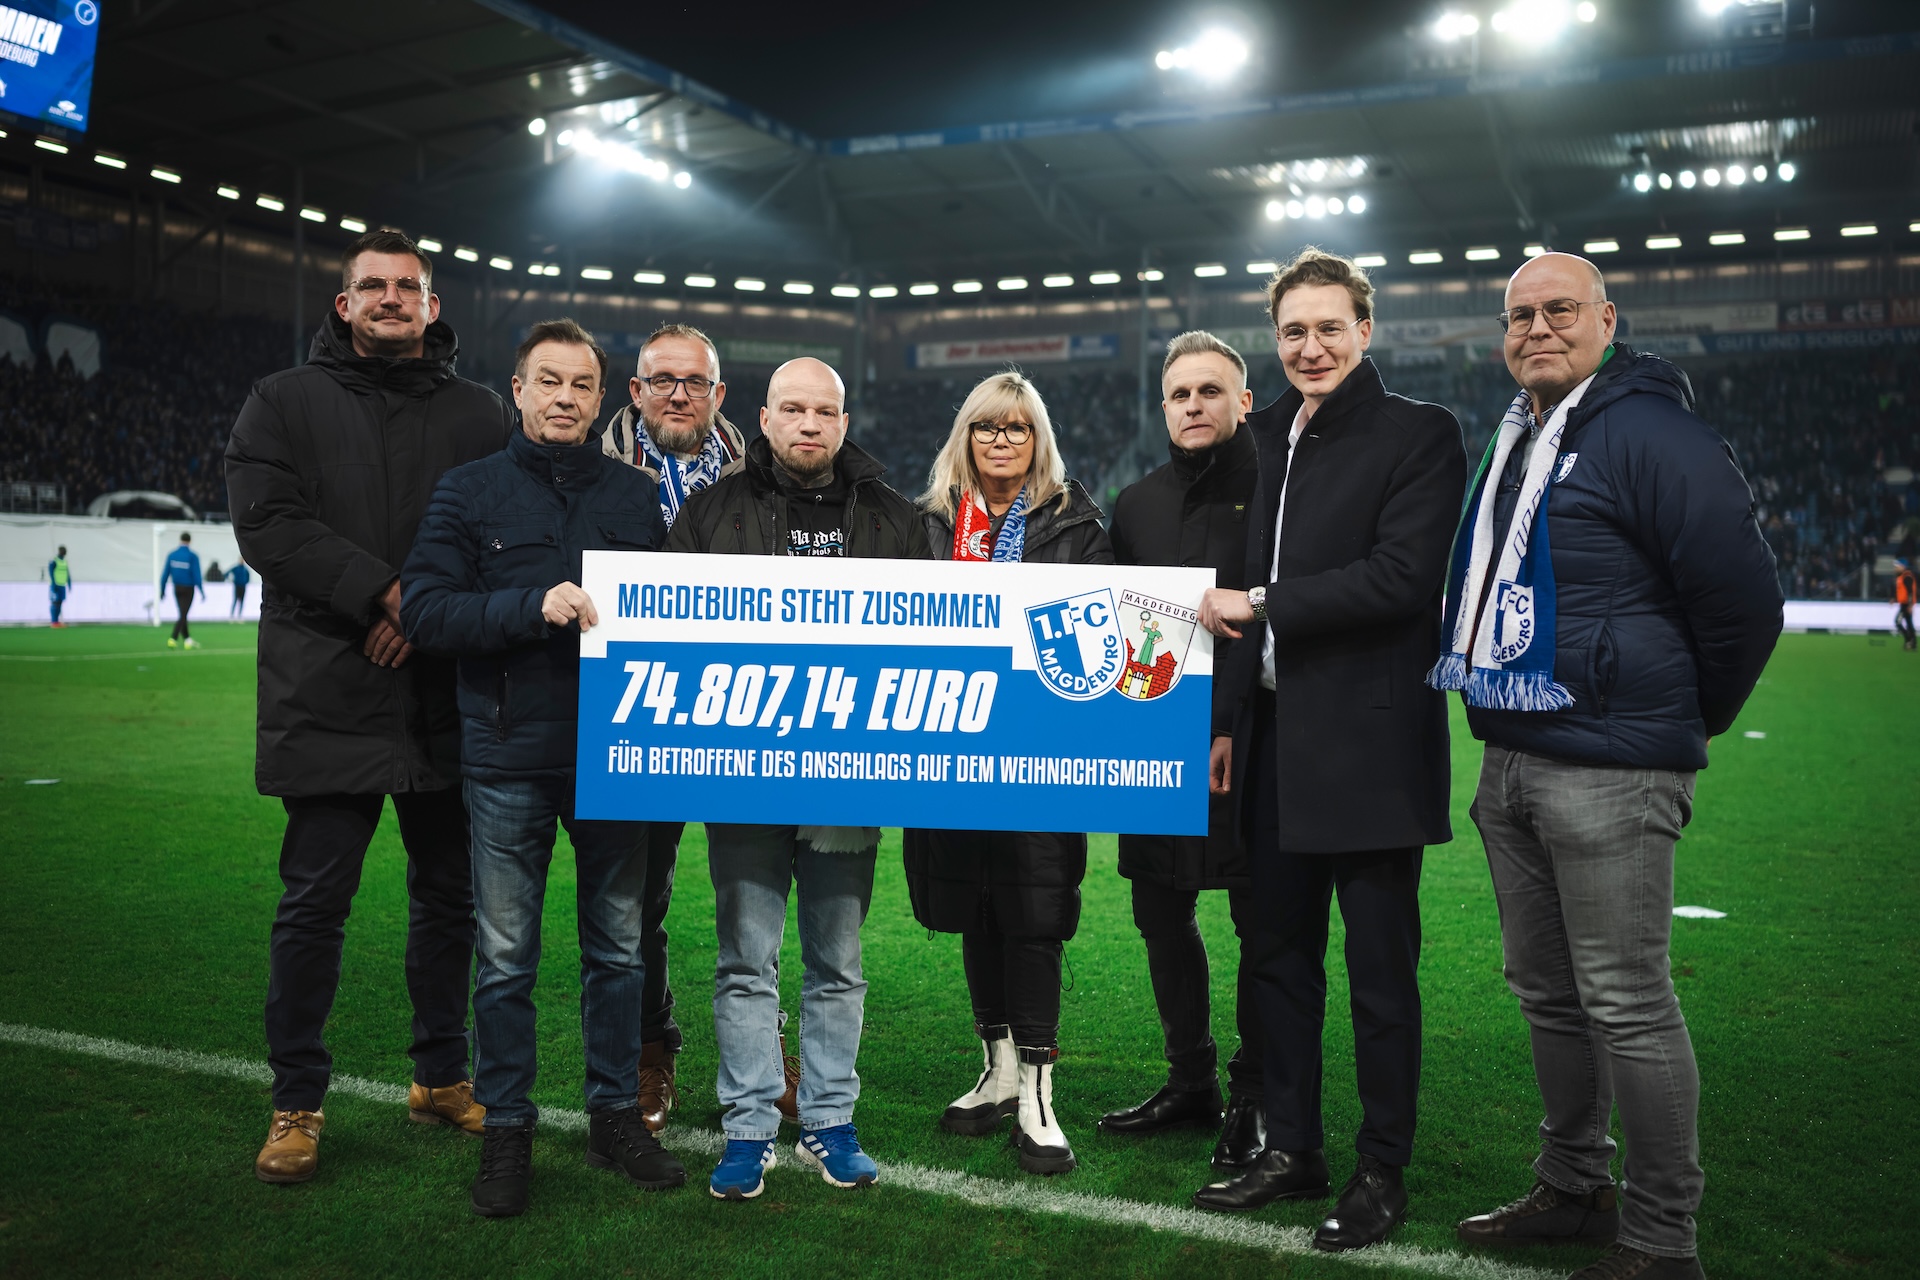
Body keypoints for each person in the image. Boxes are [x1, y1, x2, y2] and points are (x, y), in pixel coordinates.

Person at [1436, 253, 1782, 1280]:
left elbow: (1743, 604)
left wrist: (1665, 722)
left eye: (1559, 310)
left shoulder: (1650, 432)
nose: (1537, 328)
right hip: (1512, 753)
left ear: (1607, 319)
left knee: (1626, 998)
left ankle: (1662, 1239)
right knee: (1547, 991)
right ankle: (1573, 1182)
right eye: (1519, 315)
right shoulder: (1519, 438)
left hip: (1609, 768)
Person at [226, 229, 514, 1185]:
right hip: (329, 688)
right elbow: (269, 525)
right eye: (373, 286)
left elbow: (504, 537)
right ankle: (296, 1101)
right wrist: (389, 596)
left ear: (434, 308)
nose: (392, 299)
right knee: (314, 905)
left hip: (442, 692)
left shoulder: (480, 413)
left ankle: (439, 1077)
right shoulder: (282, 401)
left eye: (409, 287)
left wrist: (426, 617)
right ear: (343, 305)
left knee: (450, 901)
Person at [1192, 248, 1466, 1251]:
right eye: (1293, 331)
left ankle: (1381, 1169)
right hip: (1269, 744)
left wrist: (1264, 603)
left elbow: (1400, 578)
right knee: (1276, 959)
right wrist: (1226, 721)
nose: (1311, 346)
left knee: (1380, 976)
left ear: (1365, 328)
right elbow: (1218, 582)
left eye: (1329, 327)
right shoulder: (1260, 434)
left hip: (1370, 749)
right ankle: (1291, 1147)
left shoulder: (1421, 433)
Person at [404, 318, 680, 1218]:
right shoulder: (468, 492)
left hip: (616, 760)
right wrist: (532, 605)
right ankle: (510, 1125)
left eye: (582, 386)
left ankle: (612, 1116)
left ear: (604, 400)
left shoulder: (639, 499)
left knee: (617, 953)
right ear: (517, 390)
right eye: (549, 382)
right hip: (508, 758)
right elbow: (429, 615)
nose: (566, 397)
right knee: (506, 959)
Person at [666, 356, 929, 1200]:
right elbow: (667, 631)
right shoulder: (709, 513)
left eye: (824, 410)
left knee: (838, 963)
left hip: (848, 783)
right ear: (765, 418)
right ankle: (748, 1127)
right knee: (746, 960)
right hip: (744, 776)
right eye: (793, 408)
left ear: (844, 423)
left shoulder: (895, 518)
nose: (809, 423)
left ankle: (828, 1120)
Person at [904, 370, 1114, 1177]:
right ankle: (995, 1070)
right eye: (987, 427)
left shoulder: (1077, 523)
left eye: (1017, 428)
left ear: (1038, 440)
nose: (1001, 440)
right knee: (974, 906)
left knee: (1031, 914)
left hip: (1041, 756)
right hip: (948, 752)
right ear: (965, 437)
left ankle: (1037, 1089)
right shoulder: (925, 524)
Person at [1100, 332, 1271, 1173]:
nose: (1194, 406)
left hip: (1250, 740)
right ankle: (1190, 1078)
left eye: (1211, 391)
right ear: (1161, 405)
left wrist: (1230, 725)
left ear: (1244, 401)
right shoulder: (1135, 503)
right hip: (1155, 742)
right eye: (1180, 394)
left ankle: (1256, 1093)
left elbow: (1278, 615)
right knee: (1158, 912)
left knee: (1256, 919)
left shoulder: (1281, 489)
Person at [600, 322, 767, 1135]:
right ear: (635, 391)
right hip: (640, 717)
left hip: (748, 715)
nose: (677, 394)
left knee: (757, 899)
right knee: (637, 902)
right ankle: (650, 1051)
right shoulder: (590, 474)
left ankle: (764, 1054)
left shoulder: (767, 475)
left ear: (718, 394)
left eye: (693, 382)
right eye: (661, 380)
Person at [159, 532, 205, 649]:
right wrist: (201, 590)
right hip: (188, 588)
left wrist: (162, 589)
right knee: (183, 614)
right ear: (190, 541)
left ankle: (187, 640)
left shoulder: (172, 555)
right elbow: (196, 574)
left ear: (180, 540)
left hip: (177, 587)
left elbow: (165, 574)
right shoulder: (192, 556)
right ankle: (173, 638)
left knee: (182, 613)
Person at [47, 545, 72, 627]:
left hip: (62, 585)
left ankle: (57, 622)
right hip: (55, 584)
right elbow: (51, 572)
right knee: (55, 603)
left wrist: (69, 583)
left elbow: (67, 573)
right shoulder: (54, 561)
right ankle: (53, 622)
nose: (64, 553)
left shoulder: (64, 562)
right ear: (59, 551)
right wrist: (53, 584)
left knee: (60, 603)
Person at [1895, 558, 1916, 651]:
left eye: (1897, 566)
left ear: (1903, 566)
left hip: (1906, 604)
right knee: (1909, 623)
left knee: (1898, 622)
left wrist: (1910, 605)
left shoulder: (1906, 576)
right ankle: (1912, 643)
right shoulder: (1903, 576)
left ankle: (1908, 639)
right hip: (1905, 604)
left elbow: (1910, 592)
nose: (1895, 568)